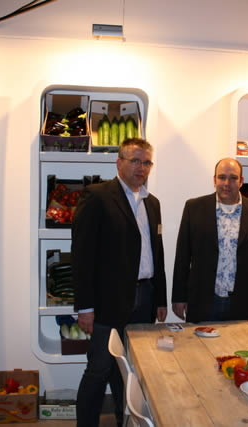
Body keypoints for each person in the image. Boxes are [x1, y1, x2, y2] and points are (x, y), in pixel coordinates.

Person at [72, 138, 167, 427]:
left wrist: (161, 298)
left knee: (130, 370)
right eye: (135, 160)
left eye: (146, 162)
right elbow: (82, 255)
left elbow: (157, 253)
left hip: (145, 298)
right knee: (99, 369)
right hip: (107, 301)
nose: (141, 167)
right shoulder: (97, 196)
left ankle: (122, 421)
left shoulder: (152, 203)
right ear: (119, 162)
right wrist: (85, 307)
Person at [171, 158, 248, 323]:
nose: (227, 183)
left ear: (241, 181)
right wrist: (178, 297)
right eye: (222, 177)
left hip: (244, 302)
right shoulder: (194, 208)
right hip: (202, 300)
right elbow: (182, 257)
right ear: (214, 180)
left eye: (233, 178)